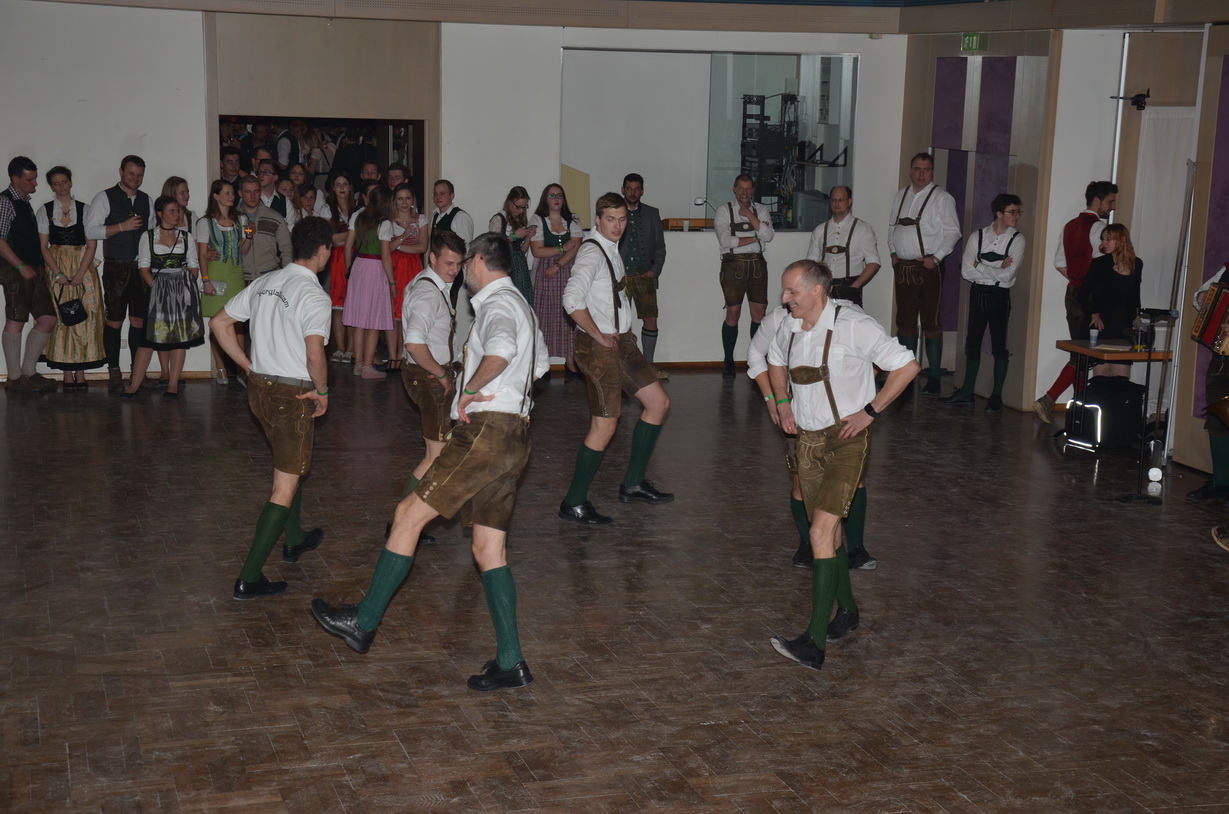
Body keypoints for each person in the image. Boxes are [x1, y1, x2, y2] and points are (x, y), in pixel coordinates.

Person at [311, 232, 550, 696]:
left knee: (407, 516)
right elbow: (538, 365)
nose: (464, 273)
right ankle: (511, 662)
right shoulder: (522, 304)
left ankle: (363, 621)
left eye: (467, 263)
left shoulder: (498, 305)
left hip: (486, 433)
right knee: (489, 550)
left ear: (478, 261)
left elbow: (501, 351)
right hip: (515, 437)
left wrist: (470, 391)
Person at [766, 260, 918, 672]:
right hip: (807, 442)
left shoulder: (853, 325)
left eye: (792, 291)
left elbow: (907, 366)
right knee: (829, 537)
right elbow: (774, 360)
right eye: (784, 291)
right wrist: (782, 401)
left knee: (819, 532)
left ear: (818, 291)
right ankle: (847, 611)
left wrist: (871, 411)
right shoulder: (789, 326)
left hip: (846, 441)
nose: (784, 298)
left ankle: (813, 643)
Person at [210, 217, 333, 600]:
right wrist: (323, 391)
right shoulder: (314, 296)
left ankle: (294, 538)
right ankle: (249, 578)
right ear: (324, 250)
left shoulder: (266, 282)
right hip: (292, 396)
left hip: (259, 389)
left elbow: (219, 323)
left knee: (288, 465)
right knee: (285, 483)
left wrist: (246, 367)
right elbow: (315, 355)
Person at [558, 192, 672, 525]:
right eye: (610, 219)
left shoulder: (611, 247)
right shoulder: (592, 253)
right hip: (599, 349)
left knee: (658, 403)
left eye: (622, 220)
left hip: (622, 343)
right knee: (604, 425)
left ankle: (633, 484)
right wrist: (597, 335)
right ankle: (573, 502)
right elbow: (571, 299)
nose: (617, 226)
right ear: (597, 220)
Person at [748, 302, 878, 572]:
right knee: (800, 481)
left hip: (843, 416)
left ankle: (856, 548)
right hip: (798, 414)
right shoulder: (779, 319)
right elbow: (756, 354)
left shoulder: (850, 315)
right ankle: (809, 543)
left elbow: (877, 359)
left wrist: (859, 389)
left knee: (854, 480)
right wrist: (774, 399)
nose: (789, 297)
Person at [390, 229, 465, 540]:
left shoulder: (430, 283)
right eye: (448, 263)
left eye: (459, 264)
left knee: (437, 452)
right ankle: (403, 520)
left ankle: (405, 519)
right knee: (436, 455)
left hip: (427, 375)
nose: (454, 270)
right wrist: (442, 374)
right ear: (432, 258)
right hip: (429, 377)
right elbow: (414, 343)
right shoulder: (428, 293)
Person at [1031, 181, 1118, 423]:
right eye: (1110, 201)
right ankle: (1050, 399)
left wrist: (1077, 280)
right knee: (1084, 354)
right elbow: (1103, 267)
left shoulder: (1070, 225)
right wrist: (1094, 290)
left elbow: (1059, 262)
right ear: (1097, 200)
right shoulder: (1099, 228)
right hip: (1092, 298)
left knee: (1081, 352)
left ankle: (1078, 406)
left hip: (1073, 293)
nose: (1112, 207)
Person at [940, 194, 1025, 413]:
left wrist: (979, 264)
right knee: (973, 343)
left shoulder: (1017, 239)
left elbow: (1008, 275)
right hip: (978, 293)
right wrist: (996, 266)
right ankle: (967, 393)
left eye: (1018, 212)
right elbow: (966, 271)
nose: (1017, 216)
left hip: (999, 296)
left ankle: (996, 397)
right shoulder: (977, 236)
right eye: (1013, 212)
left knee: (999, 346)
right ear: (999, 213)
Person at [887, 152, 961, 394]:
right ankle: (905, 376)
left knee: (931, 321)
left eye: (926, 169)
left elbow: (953, 232)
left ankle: (934, 377)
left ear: (932, 172)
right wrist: (893, 252)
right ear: (911, 171)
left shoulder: (942, 198)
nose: (921, 174)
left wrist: (936, 258)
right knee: (905, 322)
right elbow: (892, 227)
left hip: (928, 267)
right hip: (903, 267)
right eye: (918, 169)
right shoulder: (900, 195)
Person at [122, 196, 204, 398]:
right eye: (172, 211)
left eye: (178, 211)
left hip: (181, 293)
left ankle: (173, 384)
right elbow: (143, 267)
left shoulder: (186, 237)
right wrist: (157, 288)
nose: (177, 214)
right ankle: (134, 384)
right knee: (147, 340)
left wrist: (183, 286)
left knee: (178, 339)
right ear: (160, 213)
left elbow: (193, 266)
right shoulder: (148, 236)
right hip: (157, 292)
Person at [84, 154, 152, 392]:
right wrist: (122, 226)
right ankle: (114, 371)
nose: (135, 178)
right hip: (116, 267)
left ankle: (137, 372)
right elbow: (90, 231)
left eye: (140, 174)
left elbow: (151, 233)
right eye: (131, 173)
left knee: (139, 321)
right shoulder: (104, 197)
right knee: (114, 321)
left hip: (141, 267)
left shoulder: (146, 199)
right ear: (121, 172)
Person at [37, 165, 103, 390]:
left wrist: (81, 273)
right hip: (56, 265)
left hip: (82, 264)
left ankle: (81, 372)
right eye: (56, 183)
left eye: (64, 181)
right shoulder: (45, 210)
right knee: (60, 315)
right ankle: (66, 373)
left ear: (70, 182)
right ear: (52, 186)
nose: (61, 186)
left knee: (84, 317)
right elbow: (43, 247)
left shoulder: (85, 209)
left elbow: (92, 244)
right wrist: (57, 273)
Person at [1, 156, 57, 393]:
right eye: (30, 179)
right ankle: (15, 379)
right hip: (15, 270)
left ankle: (29, 372)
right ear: (16, 179)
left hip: (33, 269)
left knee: (47, 319)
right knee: (16, 319)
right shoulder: (5, 202)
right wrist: (20, 266)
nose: (35, 183)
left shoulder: (23, 202)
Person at [715, 174, 775, 378]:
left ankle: (756, 360)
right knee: (733, 313)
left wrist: (749, 214)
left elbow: (769, 236)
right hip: (732, 264)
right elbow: (726, 241)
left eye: (748, 188)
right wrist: (756, 235)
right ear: (734, 188)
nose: (744, 192)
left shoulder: (761, 210)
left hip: (757, 263)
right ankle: (728, 360)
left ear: (753, 190)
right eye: (741, 188)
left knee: (759, 314)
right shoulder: (724, 210)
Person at [198, 180, 251, 384]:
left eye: (232, 193)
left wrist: (249, 236)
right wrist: (206, 280)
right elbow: (202, 255)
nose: (232, 197)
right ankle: (220, 367)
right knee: (217, 322)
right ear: (216, 196)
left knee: (238, 322)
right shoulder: (205, 223)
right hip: (216, 273)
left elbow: (243, 251)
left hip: (235, 273)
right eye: (227, 193)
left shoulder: (241, 219)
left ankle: (241, 368)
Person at [529, 184, 582, 379]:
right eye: (552, 195)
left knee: (569, 314)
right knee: (544, 315)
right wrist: (561, 249)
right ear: (546, 199)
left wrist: (558, 264)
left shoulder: (572, 219)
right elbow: (537, 251)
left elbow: (575, 248)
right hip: (546, 273)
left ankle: (571, 362)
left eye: (559, 195)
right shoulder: (537, 220)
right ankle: (543, 364)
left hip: (565, 269)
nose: (556, 199)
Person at [618, 173, 668, 375]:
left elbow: (660, 248)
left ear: (642, 191)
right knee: (620, 323)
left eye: (636, 189)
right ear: (623, 190)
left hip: (645, 275)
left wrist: (654, 271)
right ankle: (621, 367)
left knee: (651, 319)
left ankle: (648, 366)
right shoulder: (613, 212)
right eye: (629, 188)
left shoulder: (652, 214)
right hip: (620, 278)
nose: (632, 192)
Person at [343, 185, 394, 379]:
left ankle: (358, 364)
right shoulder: (384, 223)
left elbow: (348, 245)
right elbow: (386, 257)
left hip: (359, 266)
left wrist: (349, 269)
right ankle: (367, 366)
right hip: (375, 268)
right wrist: (392, 283)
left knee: (358, 321)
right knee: (373, 321)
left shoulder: (358, 216)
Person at [1189, 264, 1229, 502]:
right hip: (1222, 360)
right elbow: (1201, 296)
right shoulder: (1226, 270)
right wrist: (1201, 297)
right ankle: (1221, 482)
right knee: (1218, 421)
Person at [1081, 223, 1141, 378]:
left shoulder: (1136, 263)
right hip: (1103, 324)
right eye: (1103, 239)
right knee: (1101, 374)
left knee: (1122, 377)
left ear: (1121, 240)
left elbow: (1135, 293)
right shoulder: (1099, 264)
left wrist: (1137, 314)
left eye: (1108, 239)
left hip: (1124, 326)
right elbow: (1083, 293)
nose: (1104, 243)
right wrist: (1093, 314)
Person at [805, 185, 880, 306]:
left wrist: (855, 286)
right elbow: (810, 263)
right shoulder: (819, 230)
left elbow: (874, 263)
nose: (837, 203)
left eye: (841, 200)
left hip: (850, 286)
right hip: (824, 286)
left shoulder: (863, 229)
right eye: (834, 200)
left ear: (849, 201)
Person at [381, 182, 428, 374]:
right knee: (392, 313)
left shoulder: (421, 219)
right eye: (400, 198)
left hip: (412, 267)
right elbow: (386, 250)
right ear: (394, 201)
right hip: (394, 267)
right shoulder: (388, 221)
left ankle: (403, 355)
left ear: (413, 200)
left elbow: (422, 247)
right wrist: (403, 238)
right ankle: (393, 356)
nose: (404, 202)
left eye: (408, 198)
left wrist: (397, 245)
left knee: (407, 312)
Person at [322, 173, 354, 363]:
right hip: (335, 259)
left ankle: (351, 348)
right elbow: (330, 239)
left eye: (345, 184)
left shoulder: (358, 209)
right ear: (333, 188)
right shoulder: (327, 209)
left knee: (353, 304)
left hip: (356, 258)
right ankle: (340, 347)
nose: (341, 187)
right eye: (338, 184)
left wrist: (344, 239)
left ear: (350, 187)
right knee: (337, 306)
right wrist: (351, 236)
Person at [235, 175, 291, 283]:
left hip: (270, 276)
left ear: (260, 192)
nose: (253, 196)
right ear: (240, 193)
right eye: (248, 192)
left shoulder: (274, 217)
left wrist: (287, 275)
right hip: (241, 277)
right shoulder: (232, 218)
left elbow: (287, 248)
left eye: (256, 191)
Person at [430, 179, 474, 307]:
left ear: (452, 195)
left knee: (449, 307)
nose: (438, 197)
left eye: (442, 193)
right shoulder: (435, 216)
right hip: (436, 270)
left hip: (452, 271)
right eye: (436, 194)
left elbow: (465, 248)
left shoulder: (460, 217)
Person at [489, 186, 536, 306]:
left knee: (522, 305)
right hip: (505, 268)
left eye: (524, 207)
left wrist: (528, 238)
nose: (521, 211)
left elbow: (521, 252)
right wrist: (514, 236)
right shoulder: (499, 219)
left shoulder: (518, 220)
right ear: (509, 202)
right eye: (518, 207)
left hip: (520, 269)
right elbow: (494, 247)